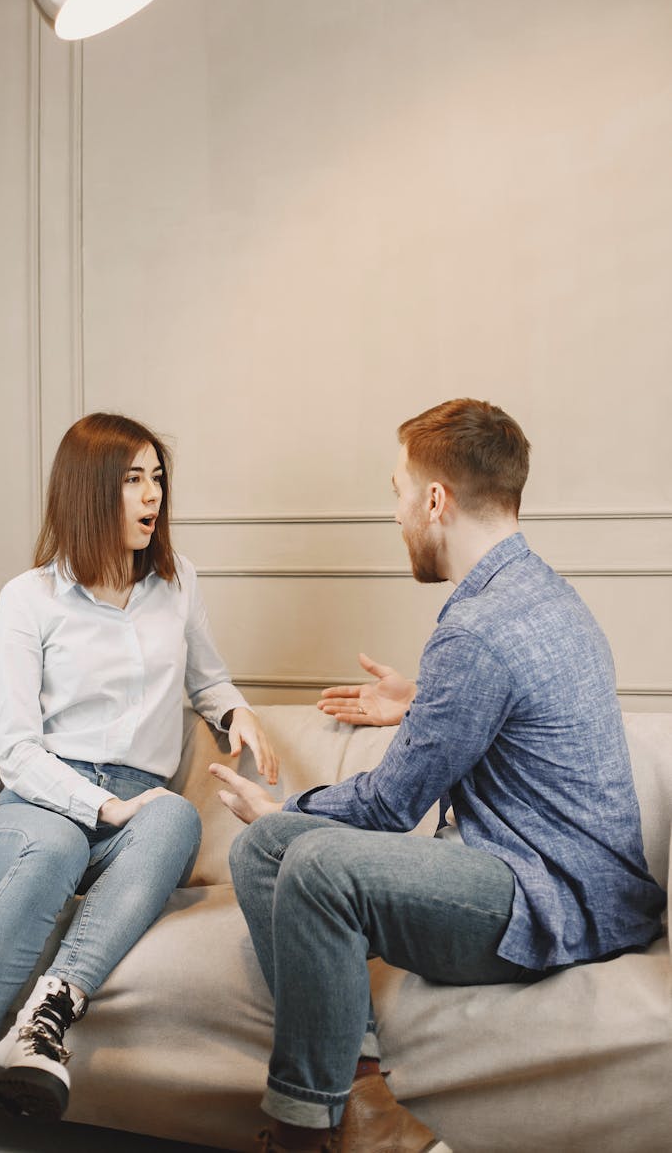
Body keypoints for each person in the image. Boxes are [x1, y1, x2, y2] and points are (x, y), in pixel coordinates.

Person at [210, 398, 666, 1153]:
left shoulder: (477, 629)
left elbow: (390, 806)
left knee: (311, 858)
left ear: (433, 498)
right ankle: (359, 1092)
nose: (393, 515)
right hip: (573, 880)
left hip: (552, 897)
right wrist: (422, 703)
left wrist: (285, 807)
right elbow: (515, 706)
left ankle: (304, 1132)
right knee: (263, 854)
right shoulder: (537, 591)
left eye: (395, 491)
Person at [0, 412, 278, 1153]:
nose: (152, 496)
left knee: (173, 818)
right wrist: (100, 804)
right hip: (43, 796)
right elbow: (17, 752)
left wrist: (235, 711)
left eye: (156, 477)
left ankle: (48, 1016)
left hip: (135, 799)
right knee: (52, 854)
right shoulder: (28, 599)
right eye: (131, 480)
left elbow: (208, 680)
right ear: (87, 493)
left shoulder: (177, 584)